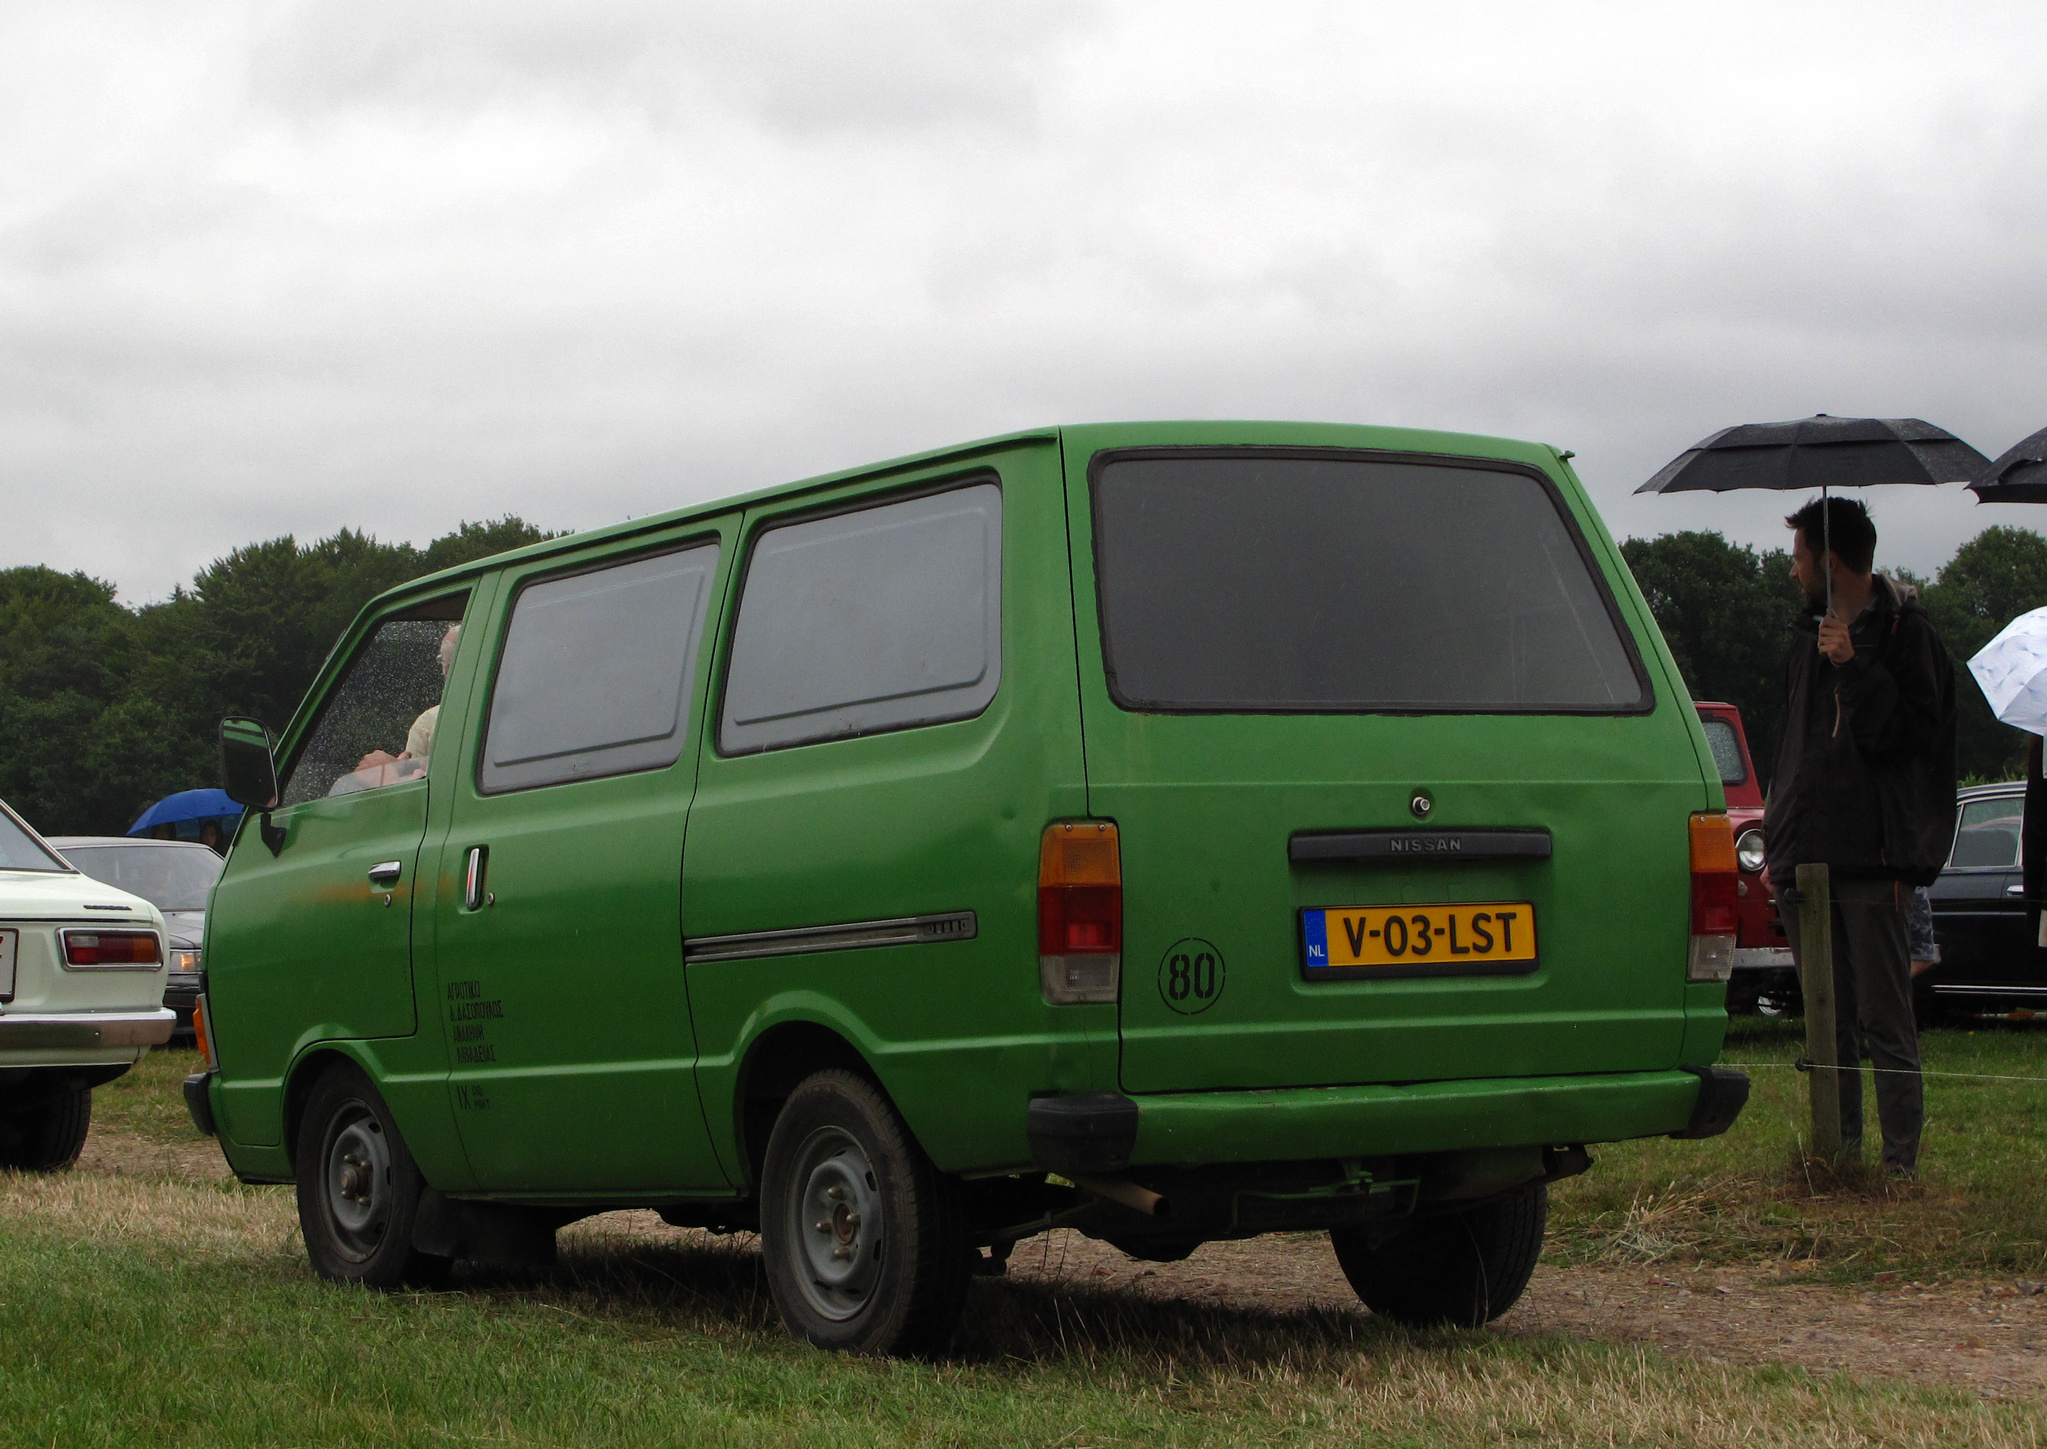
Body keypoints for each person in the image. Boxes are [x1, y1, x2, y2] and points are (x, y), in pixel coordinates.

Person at [1764, 496, 1956, 1176]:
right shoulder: (1803, 635)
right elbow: (1795, 748)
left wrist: (1853, 665)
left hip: (1875, 858)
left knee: (1883, 1016)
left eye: (1797, 557)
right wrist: (1777, 842)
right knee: (1827, 1015)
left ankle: (1898, 1167)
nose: (1791, 572)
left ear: (1831, 560)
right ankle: (1836, 1156)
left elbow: (1911, 744)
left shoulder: (1907, 636)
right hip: (1806, 859)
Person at [349, 625, 460, 788]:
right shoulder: (507, 716)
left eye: (443, 660)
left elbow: (416, 793)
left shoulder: (428, 724)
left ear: (448, 668)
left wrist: (388, 777)